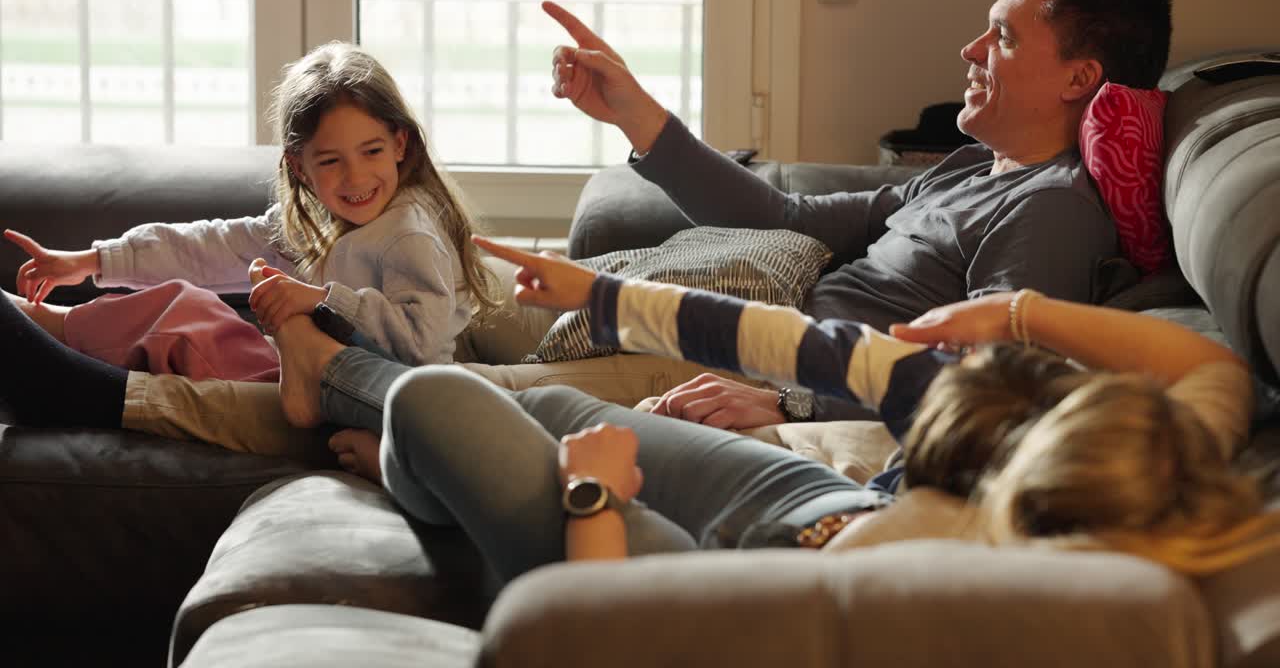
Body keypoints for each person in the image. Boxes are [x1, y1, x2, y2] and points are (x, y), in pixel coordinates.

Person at [260, 236, 1270, 585]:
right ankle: (350, 393)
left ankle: (397, 451)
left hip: (732, 579)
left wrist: (592, 500)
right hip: (806, 497)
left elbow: (614, 639)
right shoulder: (1145, 454)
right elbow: (1207, 366)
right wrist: (1016, 312)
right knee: (558, 396)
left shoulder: (978, 594)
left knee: (442, 399)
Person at [512, 0, 1175, 429]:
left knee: (466, 390)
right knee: (471, 294)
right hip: (759, 335)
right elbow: (780, 216)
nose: (972, 50)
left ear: (1077, 79)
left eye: (1001, 36)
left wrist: (790, 403)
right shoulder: (975, 166)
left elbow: (989, 387)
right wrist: (633, 109)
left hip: (766, 369)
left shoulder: (1051, 209)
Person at [0, 42, 496, 454]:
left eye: (372, 151)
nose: (357, 177)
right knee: (188, 301)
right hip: (308, 374)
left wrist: (322, 298)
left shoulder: (407, 232)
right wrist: (91, 261)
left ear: (401, 144)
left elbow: (424, 346)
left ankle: (46, 333)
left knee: (191, 322)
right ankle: (50, 332)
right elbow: (211, 247)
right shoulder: (321, 221)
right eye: (330, 161)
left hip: (360, 396)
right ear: (299, 167)